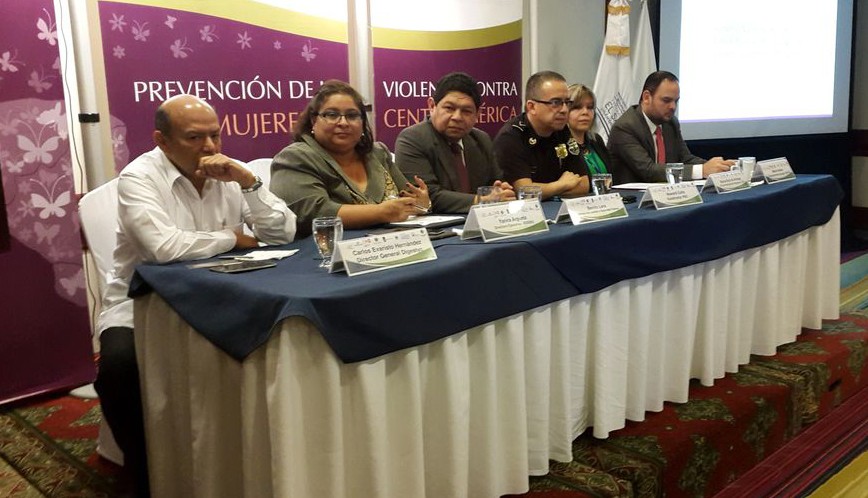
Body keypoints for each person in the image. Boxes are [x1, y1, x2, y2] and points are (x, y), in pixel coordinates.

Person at [94, 95, 297, 496]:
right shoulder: (139, 178)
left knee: (279, 341)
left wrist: (249, 183)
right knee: (117, 368)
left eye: (215, 135)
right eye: (194, 137)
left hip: (224, 297)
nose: (209, 146)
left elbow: (283, 232)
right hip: (143, 303)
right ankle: (145, 474)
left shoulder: (228, 171)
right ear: (162, 140)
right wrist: (232, 238)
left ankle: (246, 463)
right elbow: (163, 248)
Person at [270, 80, 431, 237]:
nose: (343, 123)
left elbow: (408, 198)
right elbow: (312, 214)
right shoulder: (294, 157)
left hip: (392, 244)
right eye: (332, 115)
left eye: (352, 115)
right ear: (314, 121)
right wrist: (381, 212)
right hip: (324, 250)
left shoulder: (378, 152)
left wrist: (421, 203)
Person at [394, 71, 515, 212]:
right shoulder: (412, 139)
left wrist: (501, 191)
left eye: (466, 111)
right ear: (432, 106)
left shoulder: (481, 139)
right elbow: (427, 196)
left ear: (477, 114)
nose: (457, 117)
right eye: (449, 108)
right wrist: (481, 200)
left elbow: (495, 182)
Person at [607, 71, 734, 183]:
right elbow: (648, 170)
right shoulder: (625, 127)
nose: (673, 107)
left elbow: (685, 159)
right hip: (632, 199)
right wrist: (702, 170)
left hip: (666, 194)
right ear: (646, 97)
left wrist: (719, 167)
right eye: (666, 100)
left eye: (676, 101)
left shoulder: (670, 123)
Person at [493, 70, 590, 200]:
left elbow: (584, 184)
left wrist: (545, 190)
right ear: (531, 107)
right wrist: (561, 185)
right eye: (555, 102)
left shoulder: (561, 130)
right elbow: (525, 192)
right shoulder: (512, 136)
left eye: (567, 102)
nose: (564, 109)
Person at [566, 83, 613, 177]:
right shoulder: (560, 146)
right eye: (577, 107)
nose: (585, 112)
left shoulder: (596, 140)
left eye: (590, 107)